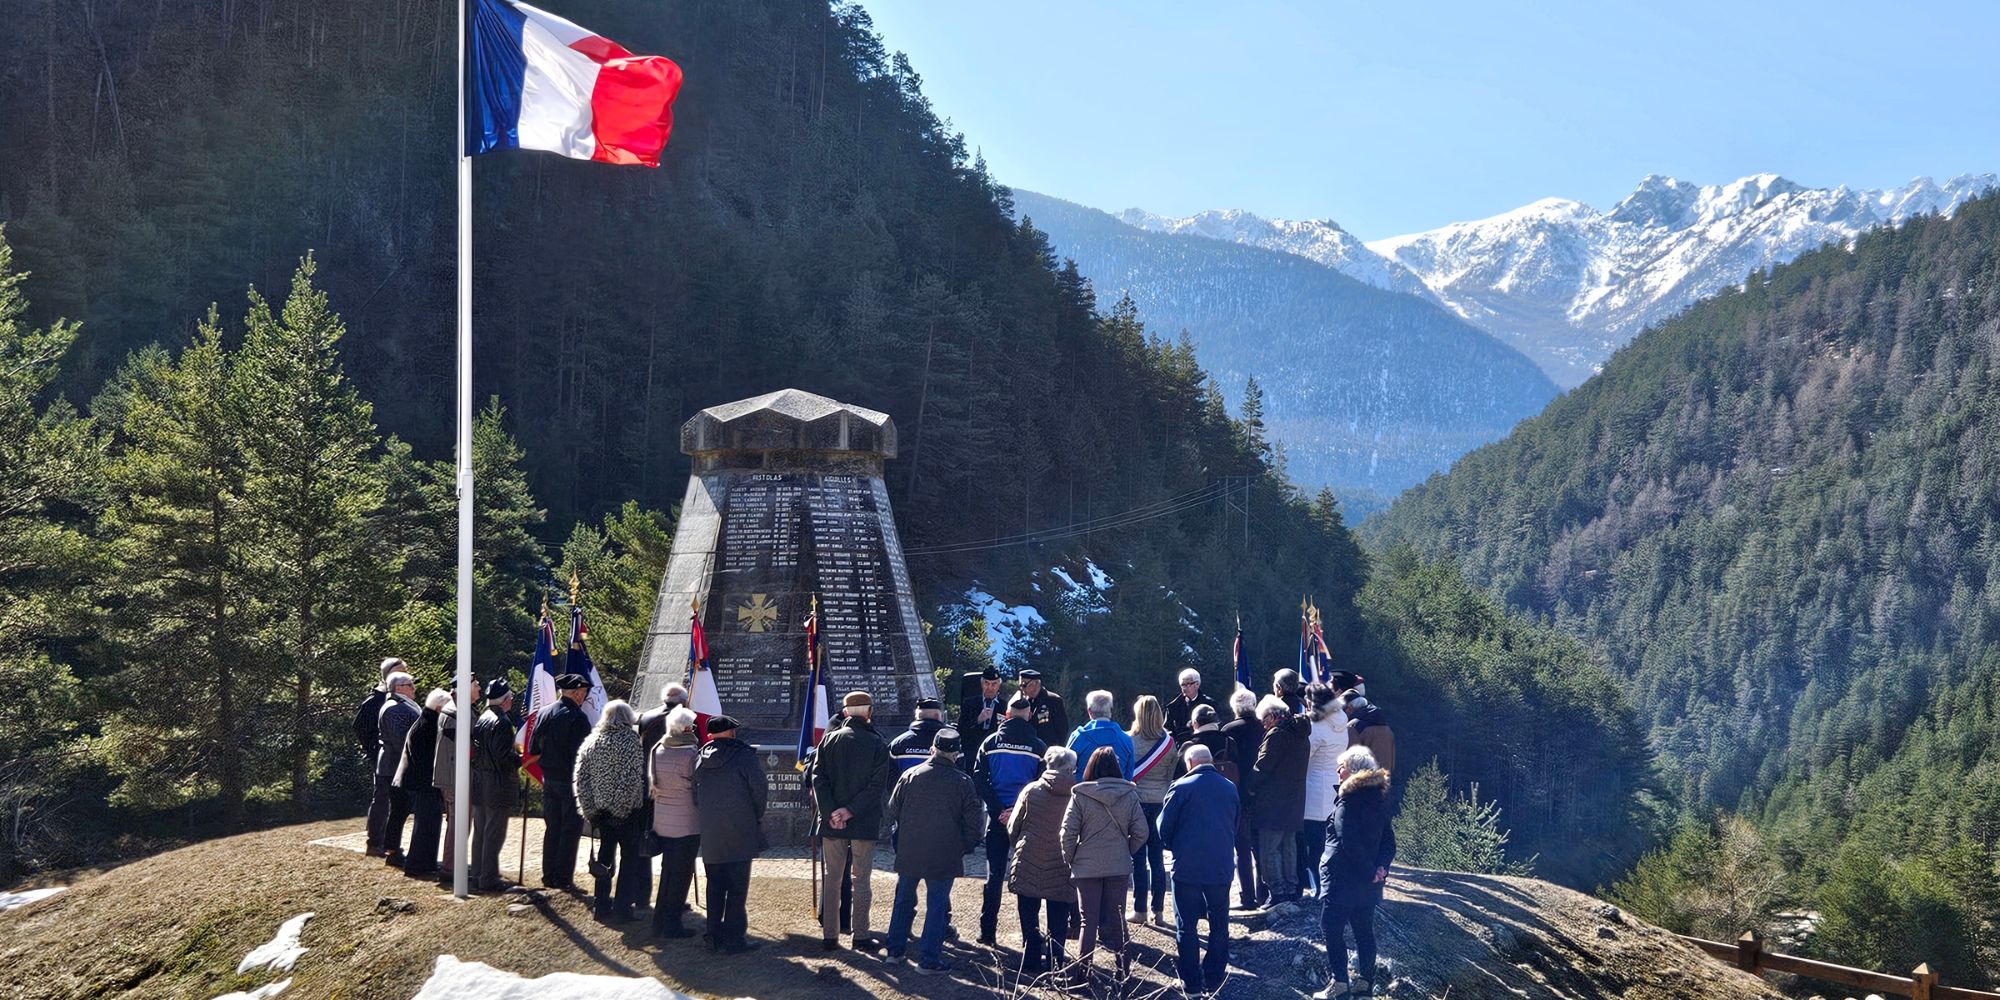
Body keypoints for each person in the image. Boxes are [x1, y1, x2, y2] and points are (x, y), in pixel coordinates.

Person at [883, 727, 986, 975]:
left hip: (910, 848)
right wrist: (964, 846)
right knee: (937, 905)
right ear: (957, 754)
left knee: (904, 899)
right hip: (945, 851)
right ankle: (928, 958)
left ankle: (894, 951)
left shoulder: (910, 775)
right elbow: (974, 823)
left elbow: (893, 809)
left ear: (933, 749)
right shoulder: (962, 782)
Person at [1312, 746, 1396, 1000]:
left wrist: (1371, 871)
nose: (1338, 771)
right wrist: (1380, 869)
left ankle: (1339, 984)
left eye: (1342, 767)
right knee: (1364, 932)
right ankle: (1365, 983)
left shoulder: (1347, 802)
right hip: (1367, 884)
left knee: (1331, 928)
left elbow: (1347, 841)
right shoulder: (1378, 801)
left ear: (1354, 772)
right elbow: (1389, 843)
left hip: (1342, 880)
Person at [811, 691, 893, 951]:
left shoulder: (828, 740)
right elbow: (877, 786)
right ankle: (861, 935)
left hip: (831, 822)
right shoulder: (878, 744)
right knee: (862, 880)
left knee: (832, 878)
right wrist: (851, 810)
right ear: (869, 712)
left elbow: (817, 779)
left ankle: (830, 936)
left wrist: (832, 811)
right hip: (863, 820)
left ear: (845, 713)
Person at [1061, 746, 1149, 984]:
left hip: (1086, 866)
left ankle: (1082, 973)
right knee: (1117, 919)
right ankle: (1123, 971)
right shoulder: (1129, 795)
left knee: (1087, 921)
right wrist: (1125, 851)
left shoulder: (1080, 796)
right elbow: (1142, 832)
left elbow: (1067, 834)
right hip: (1118, 865)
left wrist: (1072, 859)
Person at [1159, 744, 1240, 999]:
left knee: (1187, 926)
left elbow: (1164, 830)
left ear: (1190, 763)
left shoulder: (1181, 788)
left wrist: (1177, 847)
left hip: (1187, 868)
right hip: (1221, 866)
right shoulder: (1230, 787)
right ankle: (1214, 978)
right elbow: (1234, 825)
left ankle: (1192, 984)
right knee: (1219, 924)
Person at [972, 694, 1046, 945]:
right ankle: (1030, 937)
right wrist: (1017, 810)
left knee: (994, 875)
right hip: (1026, 820)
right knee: (1026, 877)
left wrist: (998, 810)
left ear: (1006, 714)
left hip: (997, 818)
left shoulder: (990, 742)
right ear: (1029, 716)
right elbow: (1041, 785)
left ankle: (987, 932)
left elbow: (980, 779)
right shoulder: (1038, 747)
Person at [692, 715, 767, 953]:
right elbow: (759, 790)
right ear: (732, 732)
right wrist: (754, 815)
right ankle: (734, 939)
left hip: (711, 830)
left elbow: (694, 794)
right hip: (740, 828)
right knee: (736, 888)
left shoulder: (699, 758)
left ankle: (712, 935)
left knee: (714, 885)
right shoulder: (744, 756)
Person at [576, 699, 651, 921]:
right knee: (629, 861)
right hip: (627, 815)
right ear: (628, 719)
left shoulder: (592, 741)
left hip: (601, 814)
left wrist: (591, 811)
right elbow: (633, 779)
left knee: (604, 858)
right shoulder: (631, 741)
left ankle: (601, 906)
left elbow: (581, 781)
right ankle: (622, 908)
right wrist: (624, 809)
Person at [1007, 746, 1078, 976]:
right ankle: (1056, 961)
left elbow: (1013, 826)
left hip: (1030, 859)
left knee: (1028, 914)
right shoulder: (1077, 794)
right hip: (1063, 863)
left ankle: (1030, 960)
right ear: (1070, 768)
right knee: (1058, 917)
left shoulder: (1031, 790)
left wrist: (1019, 845)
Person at [526, 672, 594, 890]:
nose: (584, 696)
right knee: (570, 830)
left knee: (553, 828)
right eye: (582, 692)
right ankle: (563, 879)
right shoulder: (577, 718)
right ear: (575, 693)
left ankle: (549, 876)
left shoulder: (544, 713)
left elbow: (533, 749)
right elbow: (580, 756)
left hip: (550, 779)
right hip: (569, 781)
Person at [1250, 694, 1310, 904]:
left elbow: (1263, 767)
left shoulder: (1276, 735)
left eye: (1265, 719)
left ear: (1275, 716)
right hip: (1294, 800)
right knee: (1289, 846)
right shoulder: (1301, 734)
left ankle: (1277, 892)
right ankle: (1291, 889)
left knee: (1269, 848)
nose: (1263, 724)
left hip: (1272, 802)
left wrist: (1247, 788)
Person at [649, 705, 702, 938]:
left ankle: (660, 918)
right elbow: (697, 787)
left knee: (668, 872)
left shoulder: (657, 749)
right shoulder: (691, 755)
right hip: (686, 823)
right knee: (680, 876)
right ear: (685, 728)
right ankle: (672, 924)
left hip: (662, 821)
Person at [1126, 694, 1174, 926]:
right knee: (1157, 860)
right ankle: (1160, 912)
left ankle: (1139, 910)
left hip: (1136, 803)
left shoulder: (1128, 741)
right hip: (1160, 803)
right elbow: (1170, 775)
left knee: (1138, 860)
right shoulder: (1169, 743)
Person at [470, 678, 521, 892]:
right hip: (497, 784)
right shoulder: (502, 722)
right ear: (506, 700)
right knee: (494, 833)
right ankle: (488, 877)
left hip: (481, 781)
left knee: (481, 831)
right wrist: (522, 757)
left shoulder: (482, 717)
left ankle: (478, 873)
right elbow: (503, 756)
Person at [1300, 683, 1349, 900]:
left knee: (1314, 842)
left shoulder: (1316, 727)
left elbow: (1304, 755)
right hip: (1333, 785)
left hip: (1313, 787)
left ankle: (1317, 886)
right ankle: (1332, 882)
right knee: (1330, 840)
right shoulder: (1341, 721)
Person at [396, 688, 450, 877]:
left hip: (424, 783)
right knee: (425, 825)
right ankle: (417, 864)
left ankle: (425, 862)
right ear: (438, 708)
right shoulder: (427, 725)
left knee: (430, 823)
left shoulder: (427, 722)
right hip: (424, 783)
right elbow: (428, 759)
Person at [1220, 688, 1265, 909]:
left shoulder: (1228, 730)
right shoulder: (1264, 728)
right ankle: (1263, 893)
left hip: (1236, 793)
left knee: (1241, 847)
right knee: (1260, 846)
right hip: (1261, 791)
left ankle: (1247, 897)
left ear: (1234, 708)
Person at [358, 657, 405, 855]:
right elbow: (360, 726)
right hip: (383, 759)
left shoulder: (396, 697)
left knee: (393, 801)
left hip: (396, 758)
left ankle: (386, 842)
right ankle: (375, 842)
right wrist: (374, 750)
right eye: (401, 671)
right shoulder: (376, 700)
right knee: (382, 799)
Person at [374, 671, 420, 864]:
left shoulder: (401, 706)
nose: (414, 688)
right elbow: (402, 740)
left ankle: (392, 848)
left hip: (395, 765)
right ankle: (392, 851)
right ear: (399, 688)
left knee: (401, 809)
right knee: (399, 809)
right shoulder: (395, 708)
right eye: (410, 685)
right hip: (394, 766)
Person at [432, 690, 464, 885]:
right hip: (452, 778)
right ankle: (449, 869)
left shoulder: (453, 712)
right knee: (456, 824)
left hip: (451, 777)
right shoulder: (452, 715)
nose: (478, 688)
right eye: (474, 685)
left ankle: (451, 867)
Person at [1065, 690, 1133, 781]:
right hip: (1118, 793)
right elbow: (1129, 776)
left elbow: (1065, 769)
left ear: (1089, 711)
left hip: (1084, 792)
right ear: (1111, 710)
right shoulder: (1126, 740)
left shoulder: (1077, 737)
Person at [1171, 704, 1234, 783]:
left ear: (1195, 723)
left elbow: (1176, 775)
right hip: (1225, 792)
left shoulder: (1189, 746)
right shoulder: (1229, 742)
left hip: (1196, 793)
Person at [1343, 692, 1396, 779]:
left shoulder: (1354, 727)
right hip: (1383, 780)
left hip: (1360, 781)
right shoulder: (1385, 727)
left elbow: (1349, 760)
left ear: (1349, 709)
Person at [890, 697, 947, 776]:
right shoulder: (951, 744)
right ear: (938, 716)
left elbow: (889, 778)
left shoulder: (898, 744)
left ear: (917, 717)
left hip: (908, 788)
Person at [956, 666, 1005, 750]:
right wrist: (978, 720)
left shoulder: (1004, 706)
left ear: (998, 685)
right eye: (987, 683)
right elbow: (960, 731)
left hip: (994, 750)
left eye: (994, 684)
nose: (990, 688)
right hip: (972, 748)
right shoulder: (969, 704)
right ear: (982, 684)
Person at [1019, 669, 1070, 749]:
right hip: (1030, 750)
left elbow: (1062, 729)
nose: (1022, 688)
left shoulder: (1053, 700)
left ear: (1035, 683)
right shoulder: (1024, 702)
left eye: (1024, 685)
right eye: (1020, 686)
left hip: (1048, 750)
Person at [1164, 668, 1217, 742]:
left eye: (1188, 684)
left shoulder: (1209, 704)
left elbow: (1216, 726)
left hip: (1205, 744)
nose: (1185, 688)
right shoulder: (1173, 707)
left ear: (1197, 684)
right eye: (1183, 685)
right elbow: (1167, 729)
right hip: (1180, 747)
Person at [638, 682, 688, 755]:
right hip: (672, 763)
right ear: (684, 700)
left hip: (647, 762)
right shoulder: (685, 719)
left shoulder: (645, 716)